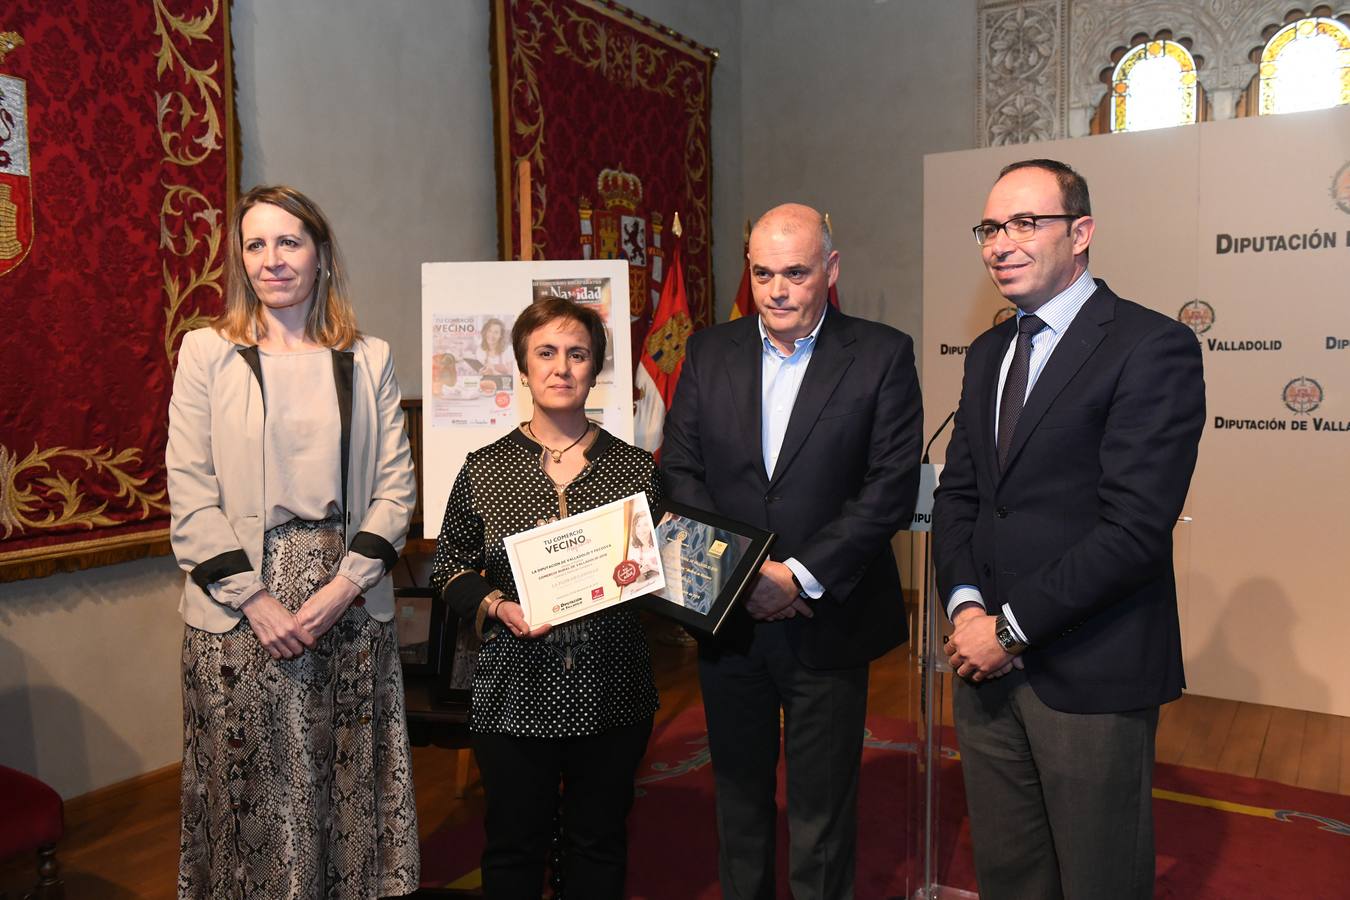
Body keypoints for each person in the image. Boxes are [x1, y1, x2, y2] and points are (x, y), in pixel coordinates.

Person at [933, 158, 1205, 899]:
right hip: (981, 666)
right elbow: (961, 495)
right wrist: (964, 610)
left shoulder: (1151, 347)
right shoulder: (990, 351)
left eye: (1026, 222)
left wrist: (1010, 630)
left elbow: (1135, 530)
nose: (1001, 243)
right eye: (991, 227)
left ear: (1081, 232)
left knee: (1099, 880)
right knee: (1010, 875)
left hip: (1091, 671)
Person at [661, 202, 923, 899]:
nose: (776, 290)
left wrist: (798, 578)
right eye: (763, 273)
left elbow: (888, 490)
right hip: (731, 619)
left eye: (796, 273)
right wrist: (745, 575)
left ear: (830, 271)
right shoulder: (708, 351)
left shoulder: (882, 354)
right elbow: (680, 471)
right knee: (739, 800)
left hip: (827, 618)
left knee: (822, 809)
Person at [167, 185, 420, 898]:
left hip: (349, 597)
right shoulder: (207, 353)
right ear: (240, 260)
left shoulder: (368, 358)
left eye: (290, 242)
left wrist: (342, 588)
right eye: (255, 244)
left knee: (343, 784)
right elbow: (188, 490)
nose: (272, 259)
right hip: (239, 606)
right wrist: (257, 601)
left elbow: (395, 490)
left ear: (321, 255)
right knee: (254, 794)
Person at [429, 297, 661, 899]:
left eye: (578, 354)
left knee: (599, 842)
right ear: (523, 369)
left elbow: (658, 571)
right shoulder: (484, 469)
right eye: (547, 353)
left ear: (594, 369)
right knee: (512, 846)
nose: (562, 367)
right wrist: (498, 605)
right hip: (514, 691)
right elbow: (450, 565)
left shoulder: (636, 470)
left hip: (612, 686)